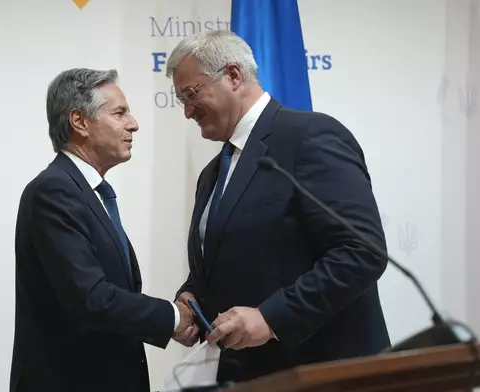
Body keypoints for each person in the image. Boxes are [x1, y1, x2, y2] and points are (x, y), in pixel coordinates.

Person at [165, 30, 391, 383]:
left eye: (192, 94)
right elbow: (227, 257)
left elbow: (361, 251)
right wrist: (193, 294)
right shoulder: (213, 173)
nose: (188, 111)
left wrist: (272, 317)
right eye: (181, 100)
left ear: (234, 75)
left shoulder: (310, 137)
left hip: (324, 372)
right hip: (251, 376)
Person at [9, 68, 196, 392]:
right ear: (79, 121)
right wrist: (174, 318)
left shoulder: (85, 192)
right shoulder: (54, 192)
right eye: (119, 113)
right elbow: (91, 298)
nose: (133, 124)